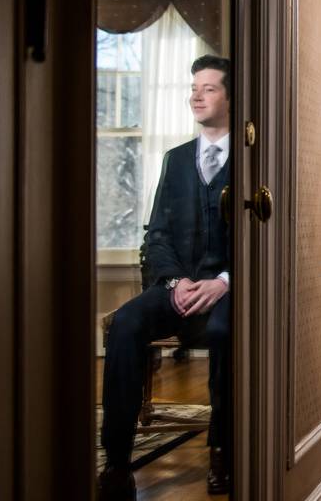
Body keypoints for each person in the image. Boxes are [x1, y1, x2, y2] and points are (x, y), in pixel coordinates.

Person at [99, 55, 233, 500]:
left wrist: (224, 282)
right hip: (177, 288)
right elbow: (157, 234)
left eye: (209, 88)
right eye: (194, 86)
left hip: (229, 291)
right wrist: (175, 283)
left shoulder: (253, 158)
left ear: (230, 97)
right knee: (124, 324)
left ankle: (222, 453)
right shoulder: (175, 160)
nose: (196, 94)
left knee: (224, 332)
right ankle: (117, 461)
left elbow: (260, 241)